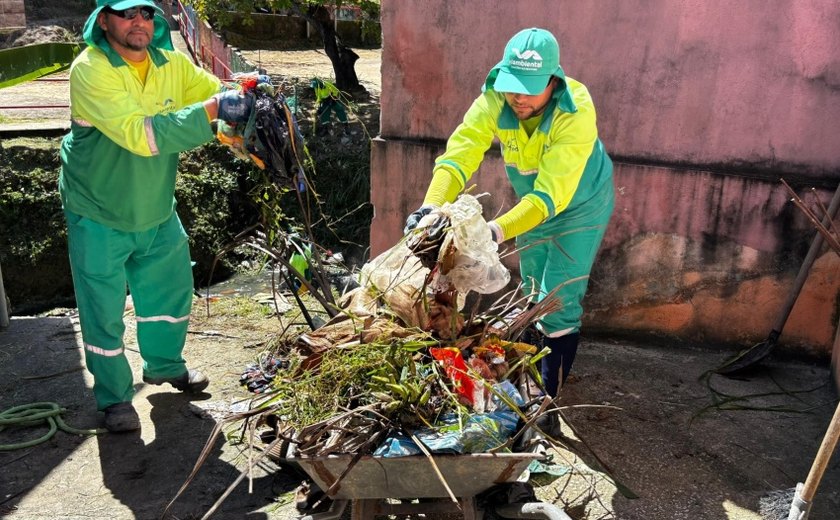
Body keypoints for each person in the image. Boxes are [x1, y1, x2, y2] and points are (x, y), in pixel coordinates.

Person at [59, 0, 253, 432]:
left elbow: (213, 91)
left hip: (155, 206)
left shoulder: (170, 64)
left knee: (169, 293)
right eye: (126, 14)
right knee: (103, 310)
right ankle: (113, 398)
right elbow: (143, 136)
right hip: (98, 210)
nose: (139, 22)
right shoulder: (91, 69)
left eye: (146, 13)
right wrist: (213, 112)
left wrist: (244, 94)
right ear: (103, 20)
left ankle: (164, 366)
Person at [404, 28, 614, 399]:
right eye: (512, 84)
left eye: (530, 88)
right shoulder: (495, 99)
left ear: (554, 82)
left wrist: (494, 232)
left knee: (559, 301)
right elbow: (460, 154)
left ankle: (545, 400)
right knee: (533, 289)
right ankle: (527, 371)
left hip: (580, 208)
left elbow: (550, 197)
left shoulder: (575, 111)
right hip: (530, 205)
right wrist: (430, 206)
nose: (518, 97)